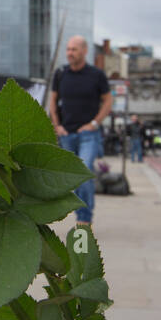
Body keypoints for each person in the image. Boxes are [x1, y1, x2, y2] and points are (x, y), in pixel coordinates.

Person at [48, 35, 112, 228]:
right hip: (66, 134)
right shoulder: (60, 74)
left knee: (83, 175)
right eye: (68, 49)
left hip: (88, 135)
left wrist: (94, 123)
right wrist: (57, 125)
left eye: (74, 49)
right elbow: (52, 100)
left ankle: (84, 219)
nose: (70, 53)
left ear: (84, 51)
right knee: (72, 180)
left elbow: (108, 100)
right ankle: (82, 215)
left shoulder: (96, 75)